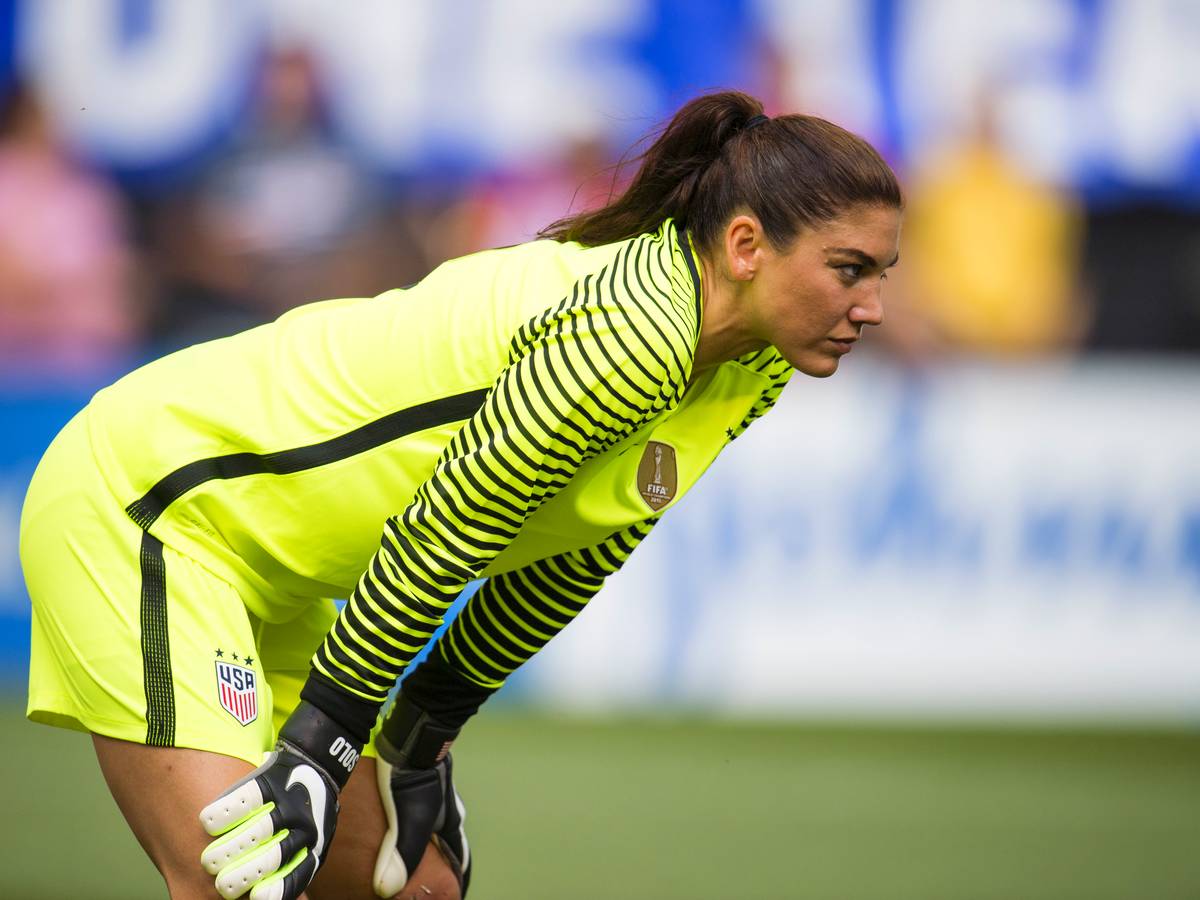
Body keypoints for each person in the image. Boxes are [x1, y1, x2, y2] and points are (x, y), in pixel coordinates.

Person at [19, 90, 902, 900]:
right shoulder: (635, 329)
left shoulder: (754, 362)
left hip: (274, 568)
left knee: (419, 890)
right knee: (242, 883)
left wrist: (423, 729)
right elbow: (445, 532)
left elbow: (579, 551)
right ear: (745, 247)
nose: (871, 306)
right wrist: (322, 747)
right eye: (849, 269)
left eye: (881, 275)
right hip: (157, 501)